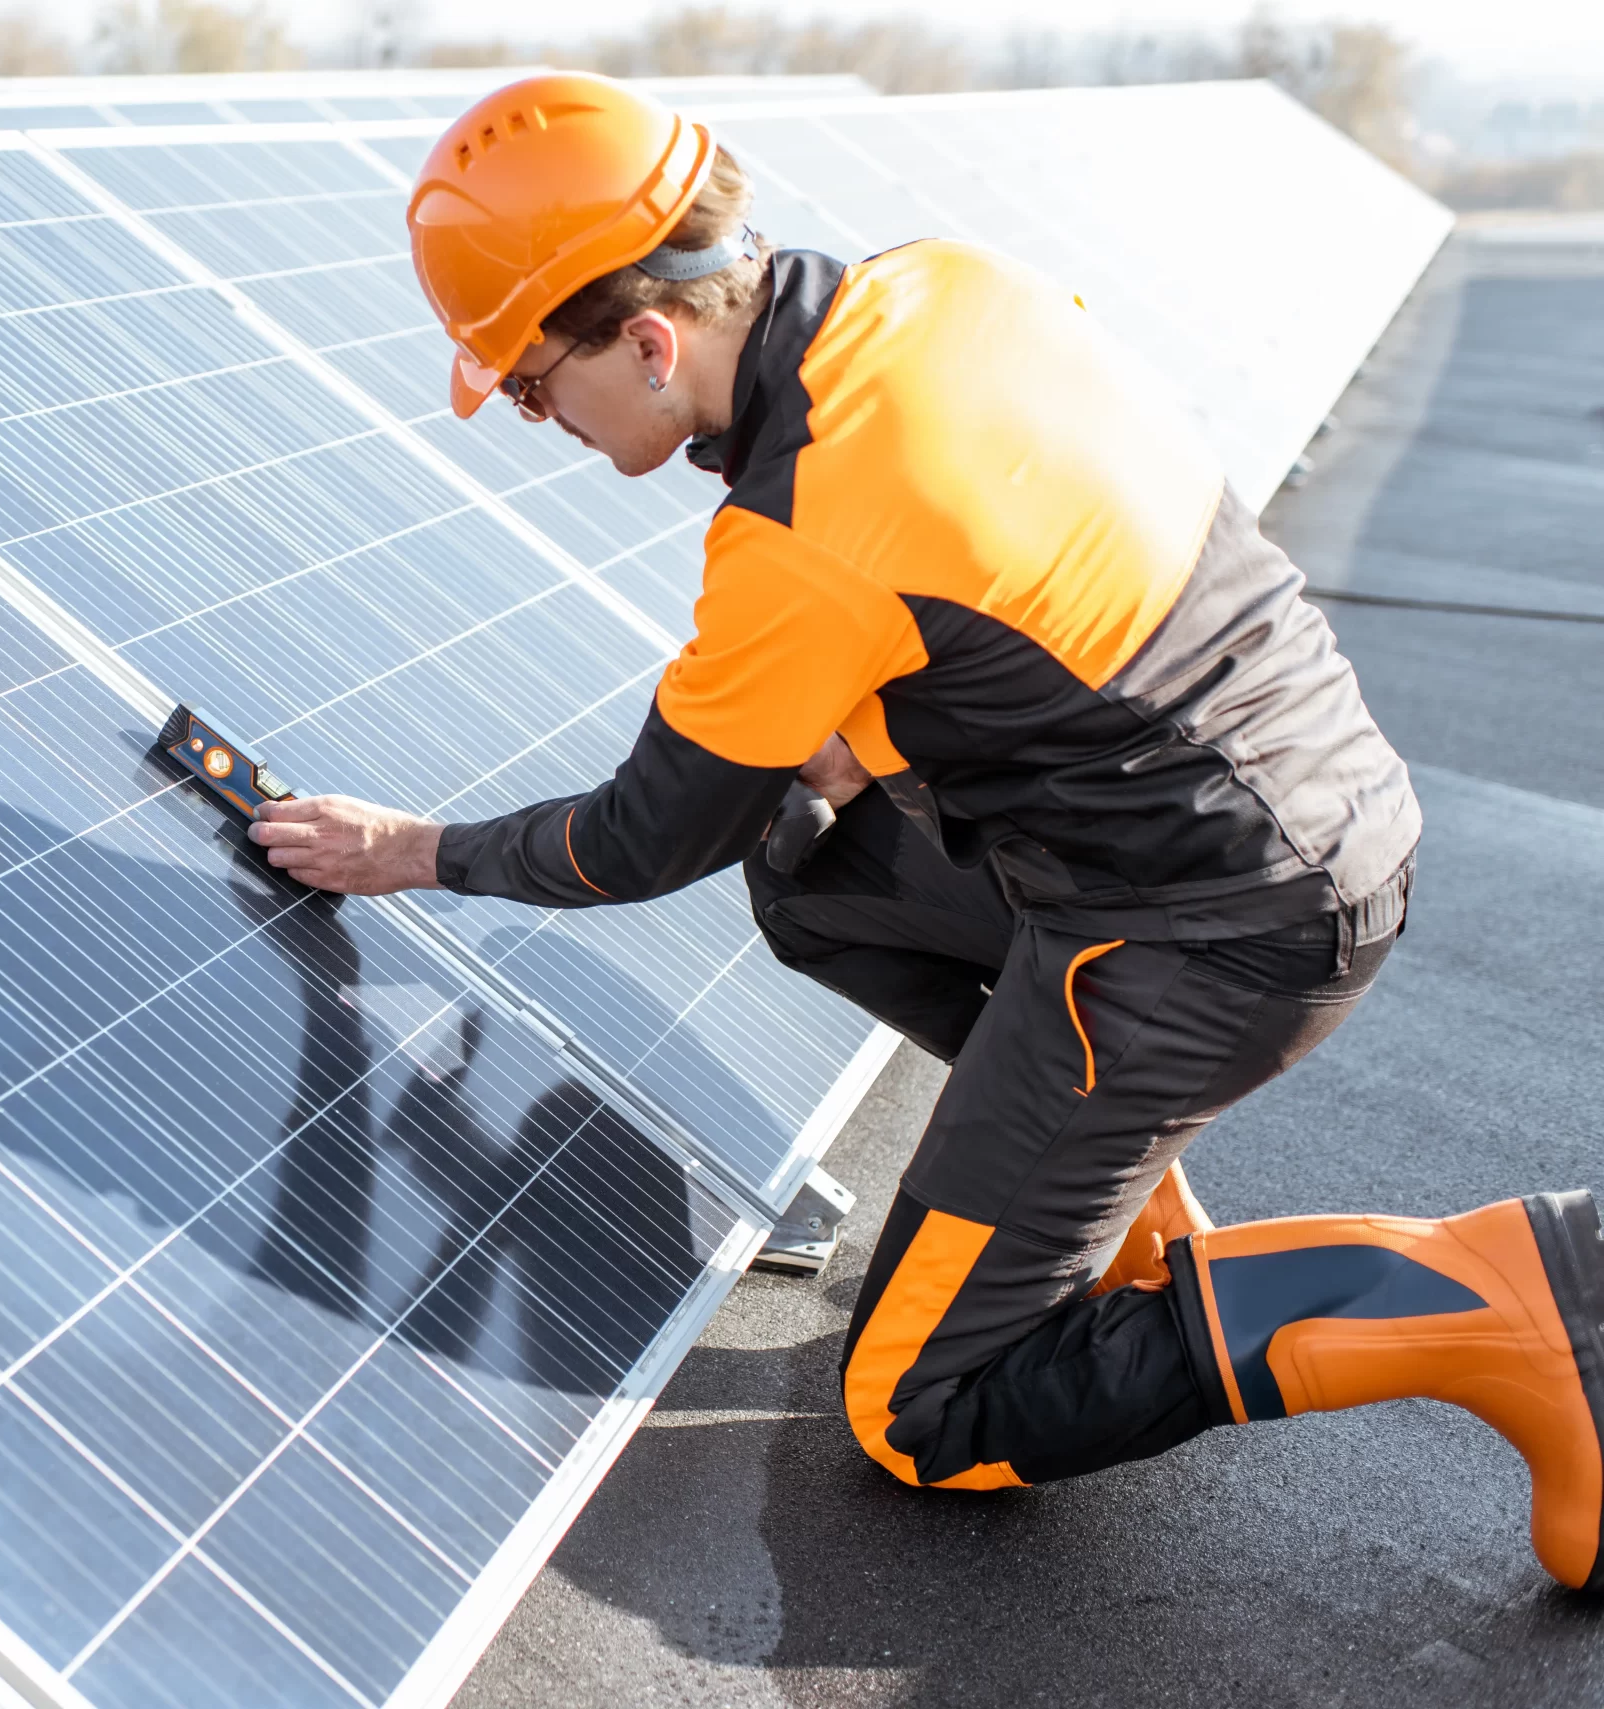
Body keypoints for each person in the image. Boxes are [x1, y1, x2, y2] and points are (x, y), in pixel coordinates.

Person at [244, 72, 1604, 1590]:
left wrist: (410, 852)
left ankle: (1490, 1296)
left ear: (646, 337)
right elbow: (1032, 544)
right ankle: (1103, 1213)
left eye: (526, 380)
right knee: (814, 875)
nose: (532, 416)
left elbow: (635, 843)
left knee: (920, 1410)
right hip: (1305, 798)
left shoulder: (800, 535)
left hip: (1209, 929)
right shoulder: (943, 282)